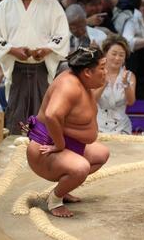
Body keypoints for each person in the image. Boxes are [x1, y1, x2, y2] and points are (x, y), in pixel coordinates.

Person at [0, 0, 70, 134]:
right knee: (16, 114)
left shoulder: (51, 4)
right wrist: (12, 49)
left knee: (43, 112)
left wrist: (47, 49)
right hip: (17, 67)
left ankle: (41, 153)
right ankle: (14, 155)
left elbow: (62, 33)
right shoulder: (5, 6)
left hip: (42, 68)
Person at [25, 47, 110, 217]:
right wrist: (59, 144)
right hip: (45, 148)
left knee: (101, 154)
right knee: (81, 168)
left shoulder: (82, 82)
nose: (105, 72)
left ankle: (63, 189)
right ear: (87, 72)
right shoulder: (69, 85)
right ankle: (55, 200)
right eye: (101, 68)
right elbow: (51, 114)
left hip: (68, 145)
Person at [93, 35, 136, 134]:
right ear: (105, 54)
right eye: (114, 54)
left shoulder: (130, 75)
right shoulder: (96, 73)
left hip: (122, 127)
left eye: (121, 55)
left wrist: (125, 84)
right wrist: (104, 84)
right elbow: (91, 100)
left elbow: (131, 101)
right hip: (98, 125)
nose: (117, 58)